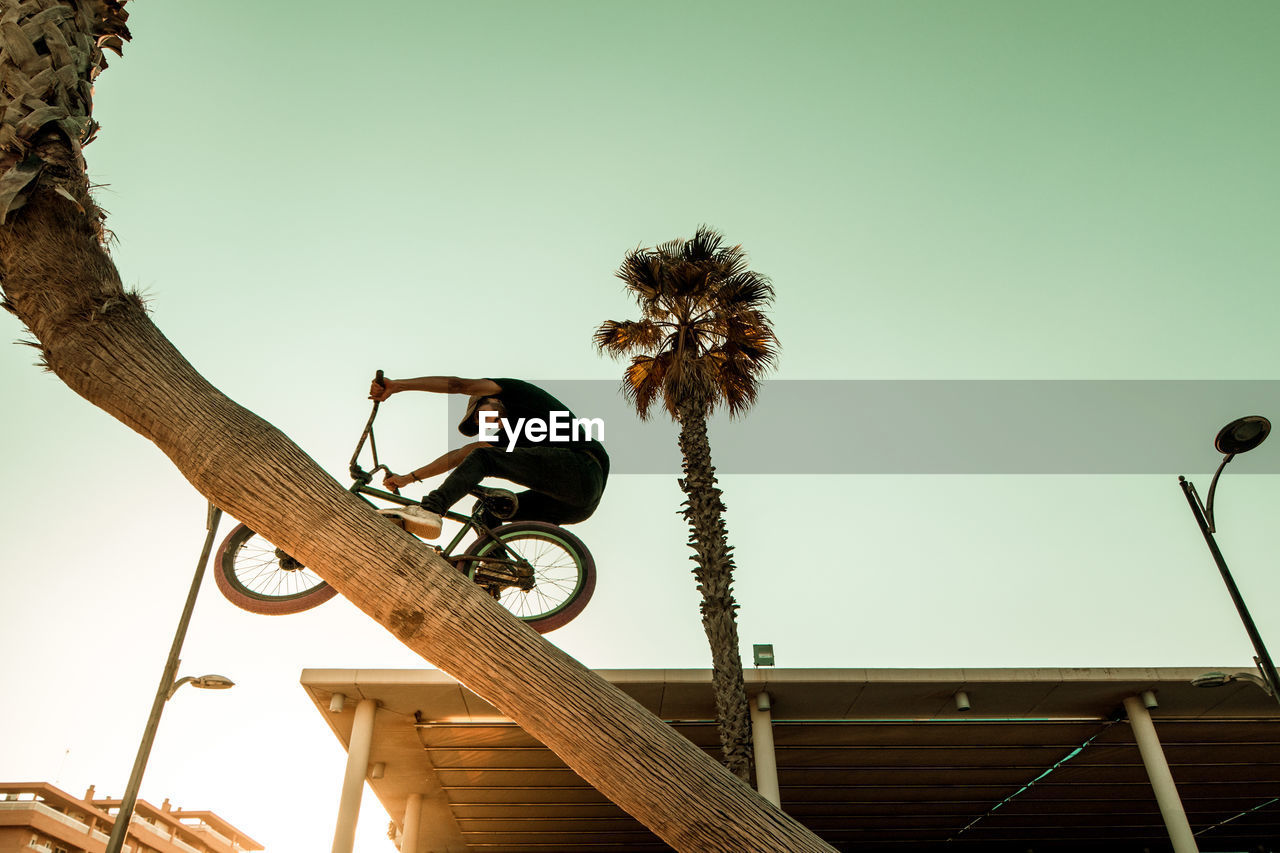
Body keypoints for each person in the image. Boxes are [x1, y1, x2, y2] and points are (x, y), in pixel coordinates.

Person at [367, 376, 609, 539]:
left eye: (481, 417)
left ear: (488, 398)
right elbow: (460, 455)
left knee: (485, 457)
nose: (486, 426)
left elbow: (458, 385)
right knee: (487, 511)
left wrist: (398, 385)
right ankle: (496, 568)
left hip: (582, 468)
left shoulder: (514, 393)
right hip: (576, 506)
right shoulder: (508, 436)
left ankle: (431, 510)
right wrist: (407, 478)